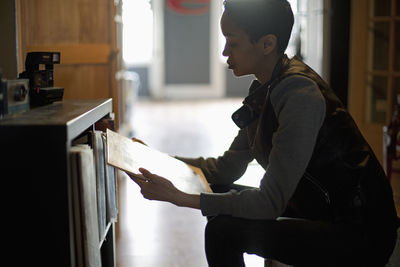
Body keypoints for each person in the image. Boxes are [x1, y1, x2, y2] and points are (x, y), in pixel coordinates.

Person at [129, 0, 400, 266]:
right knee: (216, 191)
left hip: (358, 232)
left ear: (267, 44)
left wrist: (181, 198)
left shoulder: (299, 96)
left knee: (222, 232)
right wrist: (156, 161)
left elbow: (268, 203)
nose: (225, 52)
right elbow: (224, 170)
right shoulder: (264, 90)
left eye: (233, 43)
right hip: (317, 207)